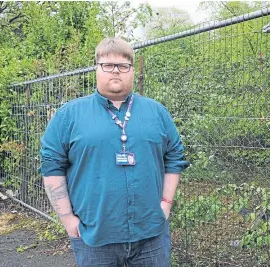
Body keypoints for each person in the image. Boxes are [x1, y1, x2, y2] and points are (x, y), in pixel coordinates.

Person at [40, 37, 189, 267]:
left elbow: (174, 158)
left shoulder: (157, 112)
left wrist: (166, 204)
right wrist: (67, 218)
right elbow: (51, 165)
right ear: (96, 68)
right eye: (108, 65)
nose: (115, 71)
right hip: (94, 238)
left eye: (123, 66)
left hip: (151, 237)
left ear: (132, 69)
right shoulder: (69, 115)